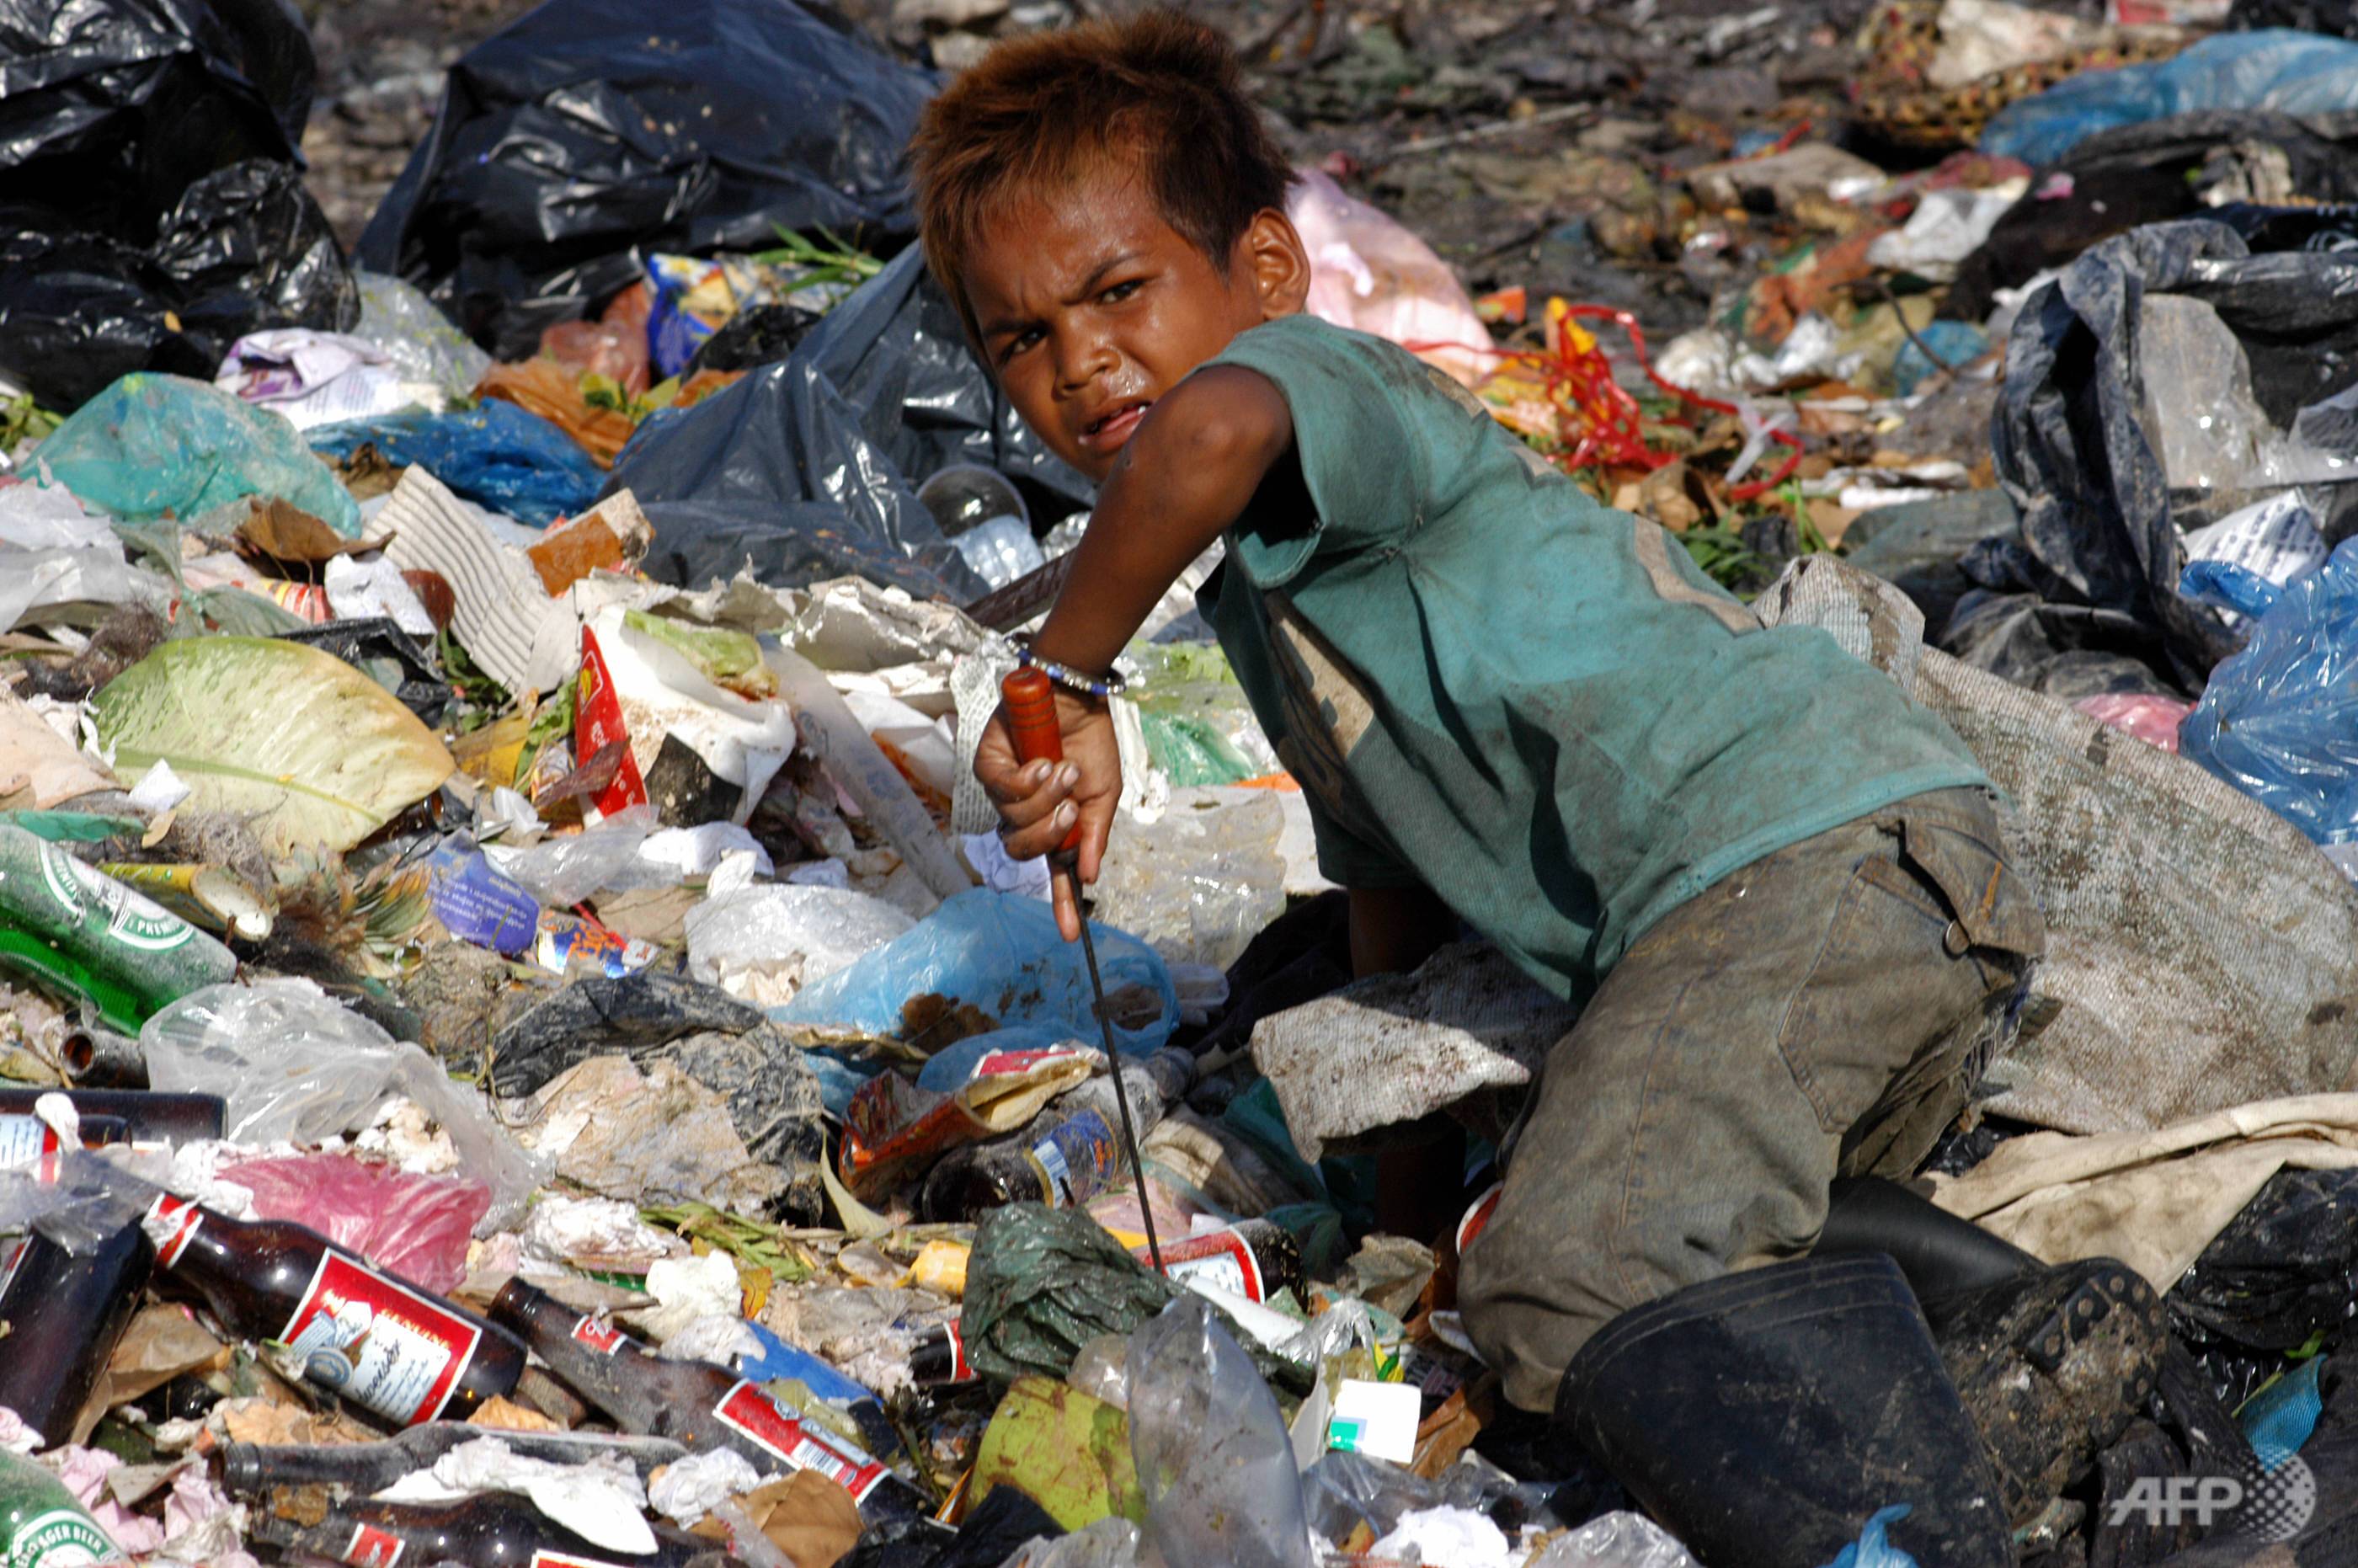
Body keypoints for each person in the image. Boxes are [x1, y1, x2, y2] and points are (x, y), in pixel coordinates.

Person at [913, 13, 2160, 1564]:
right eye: (1019, 338)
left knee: (1566, 1275)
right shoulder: (1276, 596)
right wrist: (1400, 1227)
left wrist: (1076, 681)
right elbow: (1390, 880)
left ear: (1267, 271)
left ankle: (1920, 1530)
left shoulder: (1308, 383)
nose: (1078, 358)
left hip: (1805, 857)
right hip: (1830, 907)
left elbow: (1209, 431)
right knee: (1551, 1243)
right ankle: (2020, 1314)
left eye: (1117, 293)